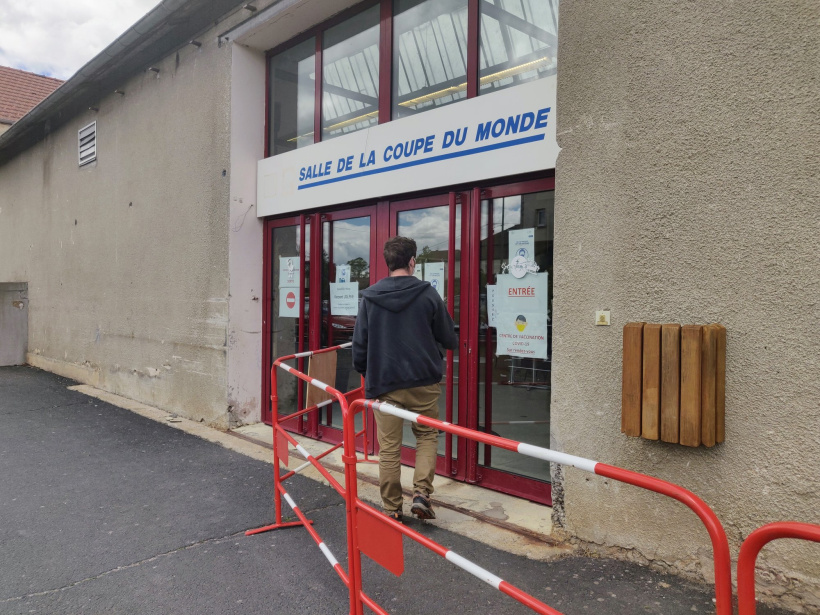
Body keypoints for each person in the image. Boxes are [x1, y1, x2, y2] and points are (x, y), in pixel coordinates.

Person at [353, 237, 458, 521]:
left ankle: (392, 508)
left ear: (389, 263)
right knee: (426, 435)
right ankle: (422, 494)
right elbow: (449, 338)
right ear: (412, 262)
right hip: (423, 380)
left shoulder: (370, 297)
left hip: (385, 383)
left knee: (389, 447)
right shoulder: (428, 294)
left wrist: (366, 373)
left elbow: (359, 344)